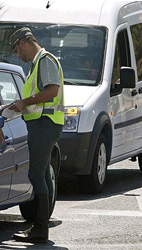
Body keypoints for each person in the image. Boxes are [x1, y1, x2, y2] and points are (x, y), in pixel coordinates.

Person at [9, 27, 64, 243]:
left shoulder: (45, 60)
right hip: (42, 124)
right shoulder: (37, 64)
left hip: (45, 125)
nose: (17, 54)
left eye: (16, 49)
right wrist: (17, 106)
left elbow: (52, 91)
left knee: (36, 175)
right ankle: (42, 226)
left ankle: (40, 229)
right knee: (42, 175)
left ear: (23, 43)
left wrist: (25, 102)